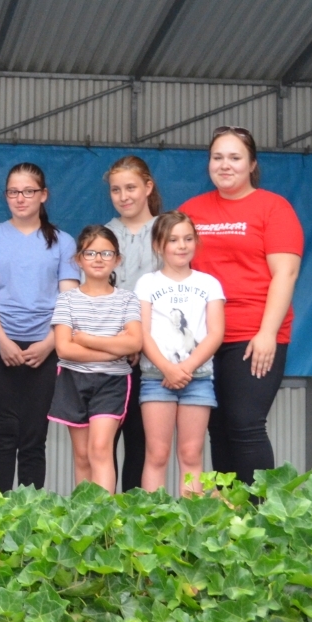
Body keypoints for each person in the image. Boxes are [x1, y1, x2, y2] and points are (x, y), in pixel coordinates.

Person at [180, 126, 303, 482]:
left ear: (252, 164)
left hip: (252, 334)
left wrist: (267, 334)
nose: (225, 165)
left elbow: (286, 274)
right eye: (217, 157)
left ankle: (260, 508)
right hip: (203, 337)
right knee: (217, 426)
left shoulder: (273, 208)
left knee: (245, 423)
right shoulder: (191, 210)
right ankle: (230, 509)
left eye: (235, 157)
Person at [0, 163, 77, 492]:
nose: (20, 198)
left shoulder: (63, 242)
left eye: (28, 191)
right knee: (2, 435)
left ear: (43, 195)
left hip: (45, 348)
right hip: (0, 346)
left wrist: (49, 343)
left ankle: (31, 513)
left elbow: (69, 299)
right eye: (13, 192)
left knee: (34, 437)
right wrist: (0, 341)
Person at [135, 212, 225, 497]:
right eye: (173, 240)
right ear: (158, 245)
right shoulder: (147, 283)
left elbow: (215, 333)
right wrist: (167, 368)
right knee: (157, 454)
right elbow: (142, 333)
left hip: (198, 379)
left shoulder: (209, 283)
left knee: (191, 454)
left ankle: (191, 517)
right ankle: (154, 516)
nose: (181, 246)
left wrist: (185, 368)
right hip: (156, 378)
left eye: (188, 239)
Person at [50, 225, 142, 493]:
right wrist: (114, 348)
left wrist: (86, 339)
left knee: (100, 449)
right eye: (90, 253)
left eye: (106, 253)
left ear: (117, 259)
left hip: (112, 381)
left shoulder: (127, 299)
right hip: (72, 379)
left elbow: (134, 343)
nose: (98, 259)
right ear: (78, 259)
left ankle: (104, 514)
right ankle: (85, 512)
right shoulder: (67, 300)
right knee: (82, 455)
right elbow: (64, 349)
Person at [104, 155, 162, 492]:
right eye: (116, 190)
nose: (123, 196)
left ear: (148, 187)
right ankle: (105, 512)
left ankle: (134, 511)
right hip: (110, 355)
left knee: (141, 440)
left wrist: (140, 340)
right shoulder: (104, 235)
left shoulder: (167, 232)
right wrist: (119, 342)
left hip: (152, 356)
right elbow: (94, 294)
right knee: (104, 440)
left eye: (131, 188)